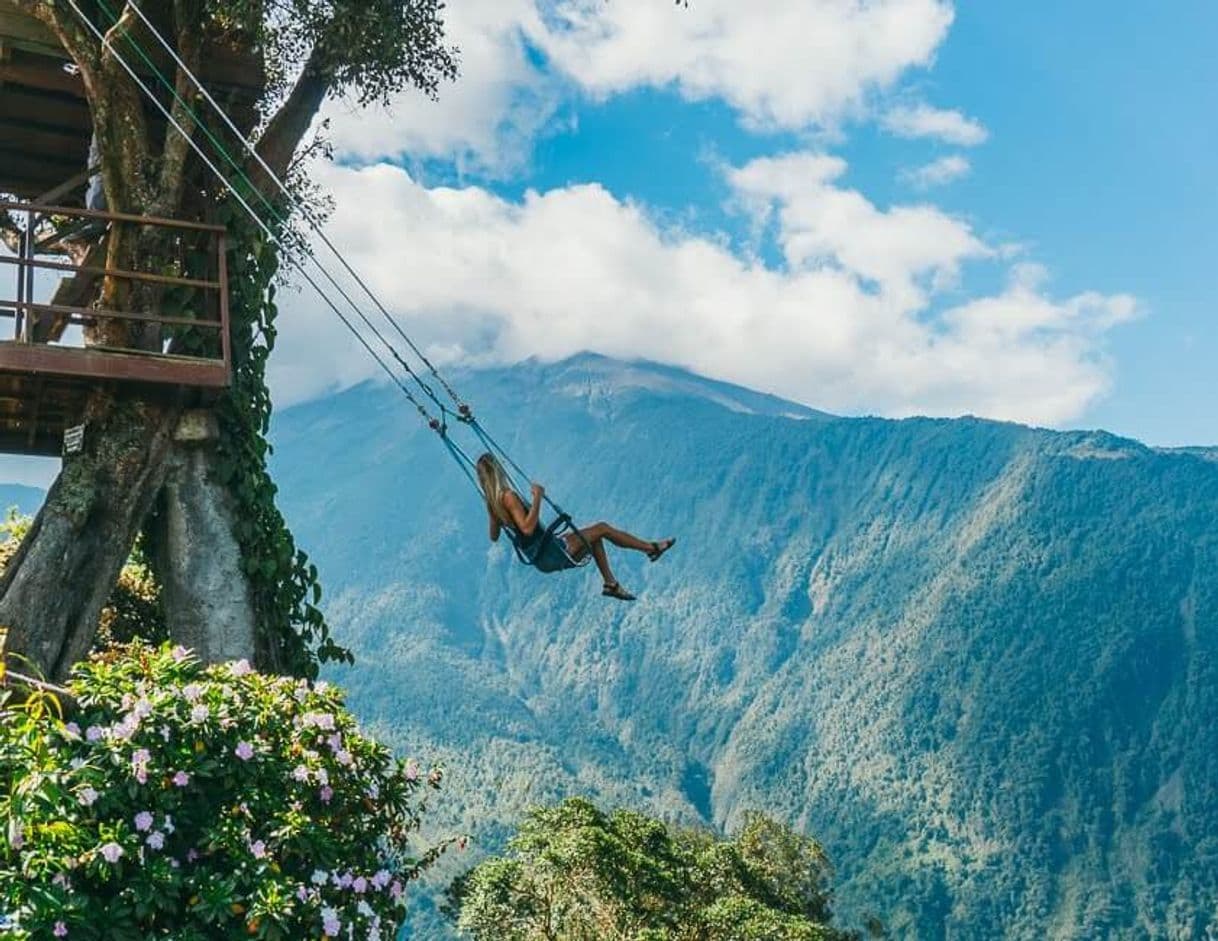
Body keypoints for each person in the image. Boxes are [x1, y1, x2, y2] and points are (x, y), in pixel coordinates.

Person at [475, 452, 675, 601]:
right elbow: (527, 528)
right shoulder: (508, 497)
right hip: (551, 552)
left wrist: (495, 516)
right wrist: (537, 498)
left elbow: (493, 536)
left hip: (541, 557)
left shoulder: (492, 504)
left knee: (594, 536)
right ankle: (651, 548)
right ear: (497, 471)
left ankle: (611, 584)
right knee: (602, 528)